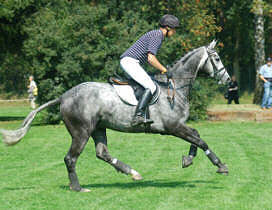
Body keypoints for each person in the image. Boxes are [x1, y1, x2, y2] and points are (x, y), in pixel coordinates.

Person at [120, 14, 179, 126]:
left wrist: (161, 70)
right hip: (130, 62)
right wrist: (165, 70)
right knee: (151, 86)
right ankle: (138, 116)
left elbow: (149, 60)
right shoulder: (158, 35)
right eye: (175, 28)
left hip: (130, 62)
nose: (175, 32)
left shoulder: (156, 34)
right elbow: (151, 58)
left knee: (151, 82)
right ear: (168, 27)